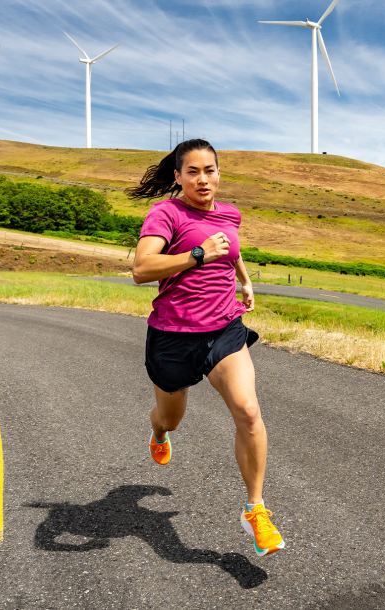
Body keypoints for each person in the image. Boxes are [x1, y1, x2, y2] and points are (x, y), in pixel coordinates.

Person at [128, 139, 285, 557]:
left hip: (224, 328)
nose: (203, 179)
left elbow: (229, 247)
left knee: (249, 411)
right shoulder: (166, 213)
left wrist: (244, 278)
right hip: (173, 336)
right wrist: (196, 254)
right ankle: (158, 432)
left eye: (210, 170)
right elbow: (141, 269)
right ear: (177, 176)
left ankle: (256, 510)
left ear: (219, 173)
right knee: (171, 418)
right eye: (193, 171)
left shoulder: (229, 212)